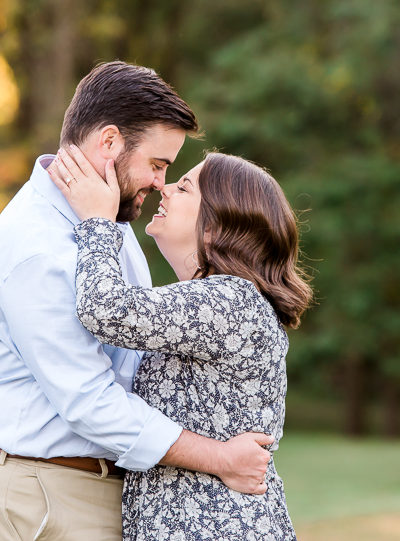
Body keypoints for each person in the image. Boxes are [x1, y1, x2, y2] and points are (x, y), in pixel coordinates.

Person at [0, 61, 273, 541]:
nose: (160, 183)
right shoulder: (39, 245)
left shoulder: (106, 222)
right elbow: (89, 402)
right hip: (56, 495)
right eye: (159, 164)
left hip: (108, 488)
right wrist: (219, 457)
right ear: (109, 143)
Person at [49, 146, 313, 540]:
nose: (165, 188)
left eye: (185, 187)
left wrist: (97, 221)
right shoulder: (213, 302)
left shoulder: (229, 300)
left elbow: (105, 309)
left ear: (215, 227)